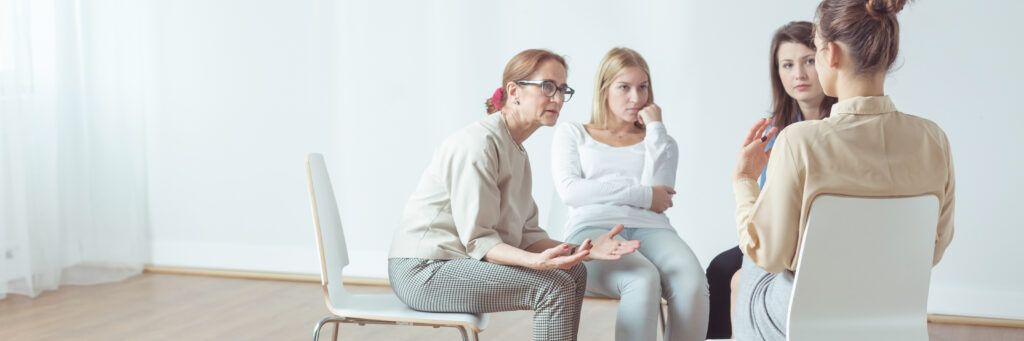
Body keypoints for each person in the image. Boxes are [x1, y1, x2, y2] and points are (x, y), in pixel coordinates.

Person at [731, 1, 955, 340]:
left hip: (806, 315)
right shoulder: (933, 140)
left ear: (831, 54)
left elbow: (768, 255)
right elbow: (932, 250)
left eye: (815, 52)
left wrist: (745, 181)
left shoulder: (799, 142)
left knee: (750, 257)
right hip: (891, 312)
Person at [388, 49, 641, 341]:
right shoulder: (479, 144)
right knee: (552, 286)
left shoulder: (517, 151)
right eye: (548, 86)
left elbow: (529, 236)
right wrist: (538, 263)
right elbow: (479, 242)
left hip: (455, 263)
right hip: (423, 270)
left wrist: (582, 251)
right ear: (514, 91)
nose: (558, 99)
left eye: (562, 89)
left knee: (574, 273)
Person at [551, 47, 708, 341]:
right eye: (624, 87)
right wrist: (645, 196)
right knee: (641, 277)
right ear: (604, 89)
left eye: (643, 87)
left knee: (692, 281)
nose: (636, 98)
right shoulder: (574, 134)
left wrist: (656, 129)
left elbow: (659, 201)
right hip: (593, 230)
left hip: (654, 229)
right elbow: (571, 192)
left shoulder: (661, 140)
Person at [704, 21, 838, 339]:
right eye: (787, 65)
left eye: (808, 61)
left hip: (813, 239)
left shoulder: (839, 126)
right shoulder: (773, 130)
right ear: (777, 73)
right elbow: (766, 200)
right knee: (720, 268)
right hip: (777, 231)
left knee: (741, 272)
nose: (799, 74)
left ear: (825, 61)